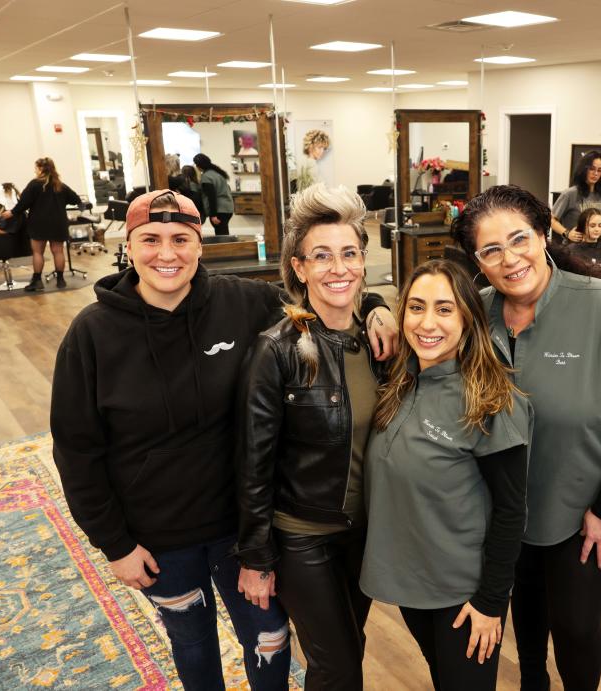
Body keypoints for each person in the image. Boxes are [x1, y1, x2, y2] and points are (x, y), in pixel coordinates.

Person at [51, 189, 397, 691]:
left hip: (239, 527)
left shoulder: (242, 303)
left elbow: (326, 292)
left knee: (270, 639)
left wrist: (378, 305)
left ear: (199, 246)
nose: (166, 254)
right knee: (192, 644)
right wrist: (114, 544)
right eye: (151, 240)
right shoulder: (92, 334)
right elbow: (76, 451)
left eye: (181, 239)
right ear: (129, 245)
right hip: (157, 536)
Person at [452, 185, 601, 691]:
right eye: (491, 250)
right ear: (478, 260)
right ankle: (532, 683)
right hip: (503, 515)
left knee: (575, 627)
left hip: (582, 516)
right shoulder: (474, 315)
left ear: (544, 234)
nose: (510, 258)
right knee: (524, 616)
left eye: (519, 239)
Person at [235, 183, 384, 691]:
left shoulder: (380, 339)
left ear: (364, 260)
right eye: (321, 256)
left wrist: (381, 306)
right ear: (299, 269)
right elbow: (254, 462)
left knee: (350, 650)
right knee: (338, 668)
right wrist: (256, 557)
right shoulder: (277, 351)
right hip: (303, 537)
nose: (338, 268)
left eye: (348, 254)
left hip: (364, 533)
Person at [360, 259, 531, 691]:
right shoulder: (401, 383)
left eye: (444, 309)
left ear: (467, 319)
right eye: (416, 307)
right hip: (414, 582)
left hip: (462, 596)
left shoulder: (490, 400)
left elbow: (512, 510)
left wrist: (491, 602)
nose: (427, 322)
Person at [2, 157, 81, 291]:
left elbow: (23, 203)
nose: (35, 171)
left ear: (40, 169)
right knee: (58, 251)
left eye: (36, 168)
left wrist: (12, 213)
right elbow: (76, 199)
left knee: (38, 252)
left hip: (39, 223)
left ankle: (37, 281)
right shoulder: (60, 185)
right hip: (58, 223)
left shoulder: (34, 184)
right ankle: (61, 280)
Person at [551, 151, 601, 241]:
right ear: (584, 169)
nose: (596, 173)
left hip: (597, 247)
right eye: (592, 169)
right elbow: (550, 220)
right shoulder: (570, 194)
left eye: (599, 170)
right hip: (574, 249)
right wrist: (567, 233)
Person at [194, 153, 234, 236]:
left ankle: (224, 248)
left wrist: (213, 215)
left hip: (219, 210)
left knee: (221, 235)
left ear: (198, 166)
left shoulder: (206, 177)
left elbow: (211, 197)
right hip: (228, 208)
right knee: (224, 233)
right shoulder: (217, 173)